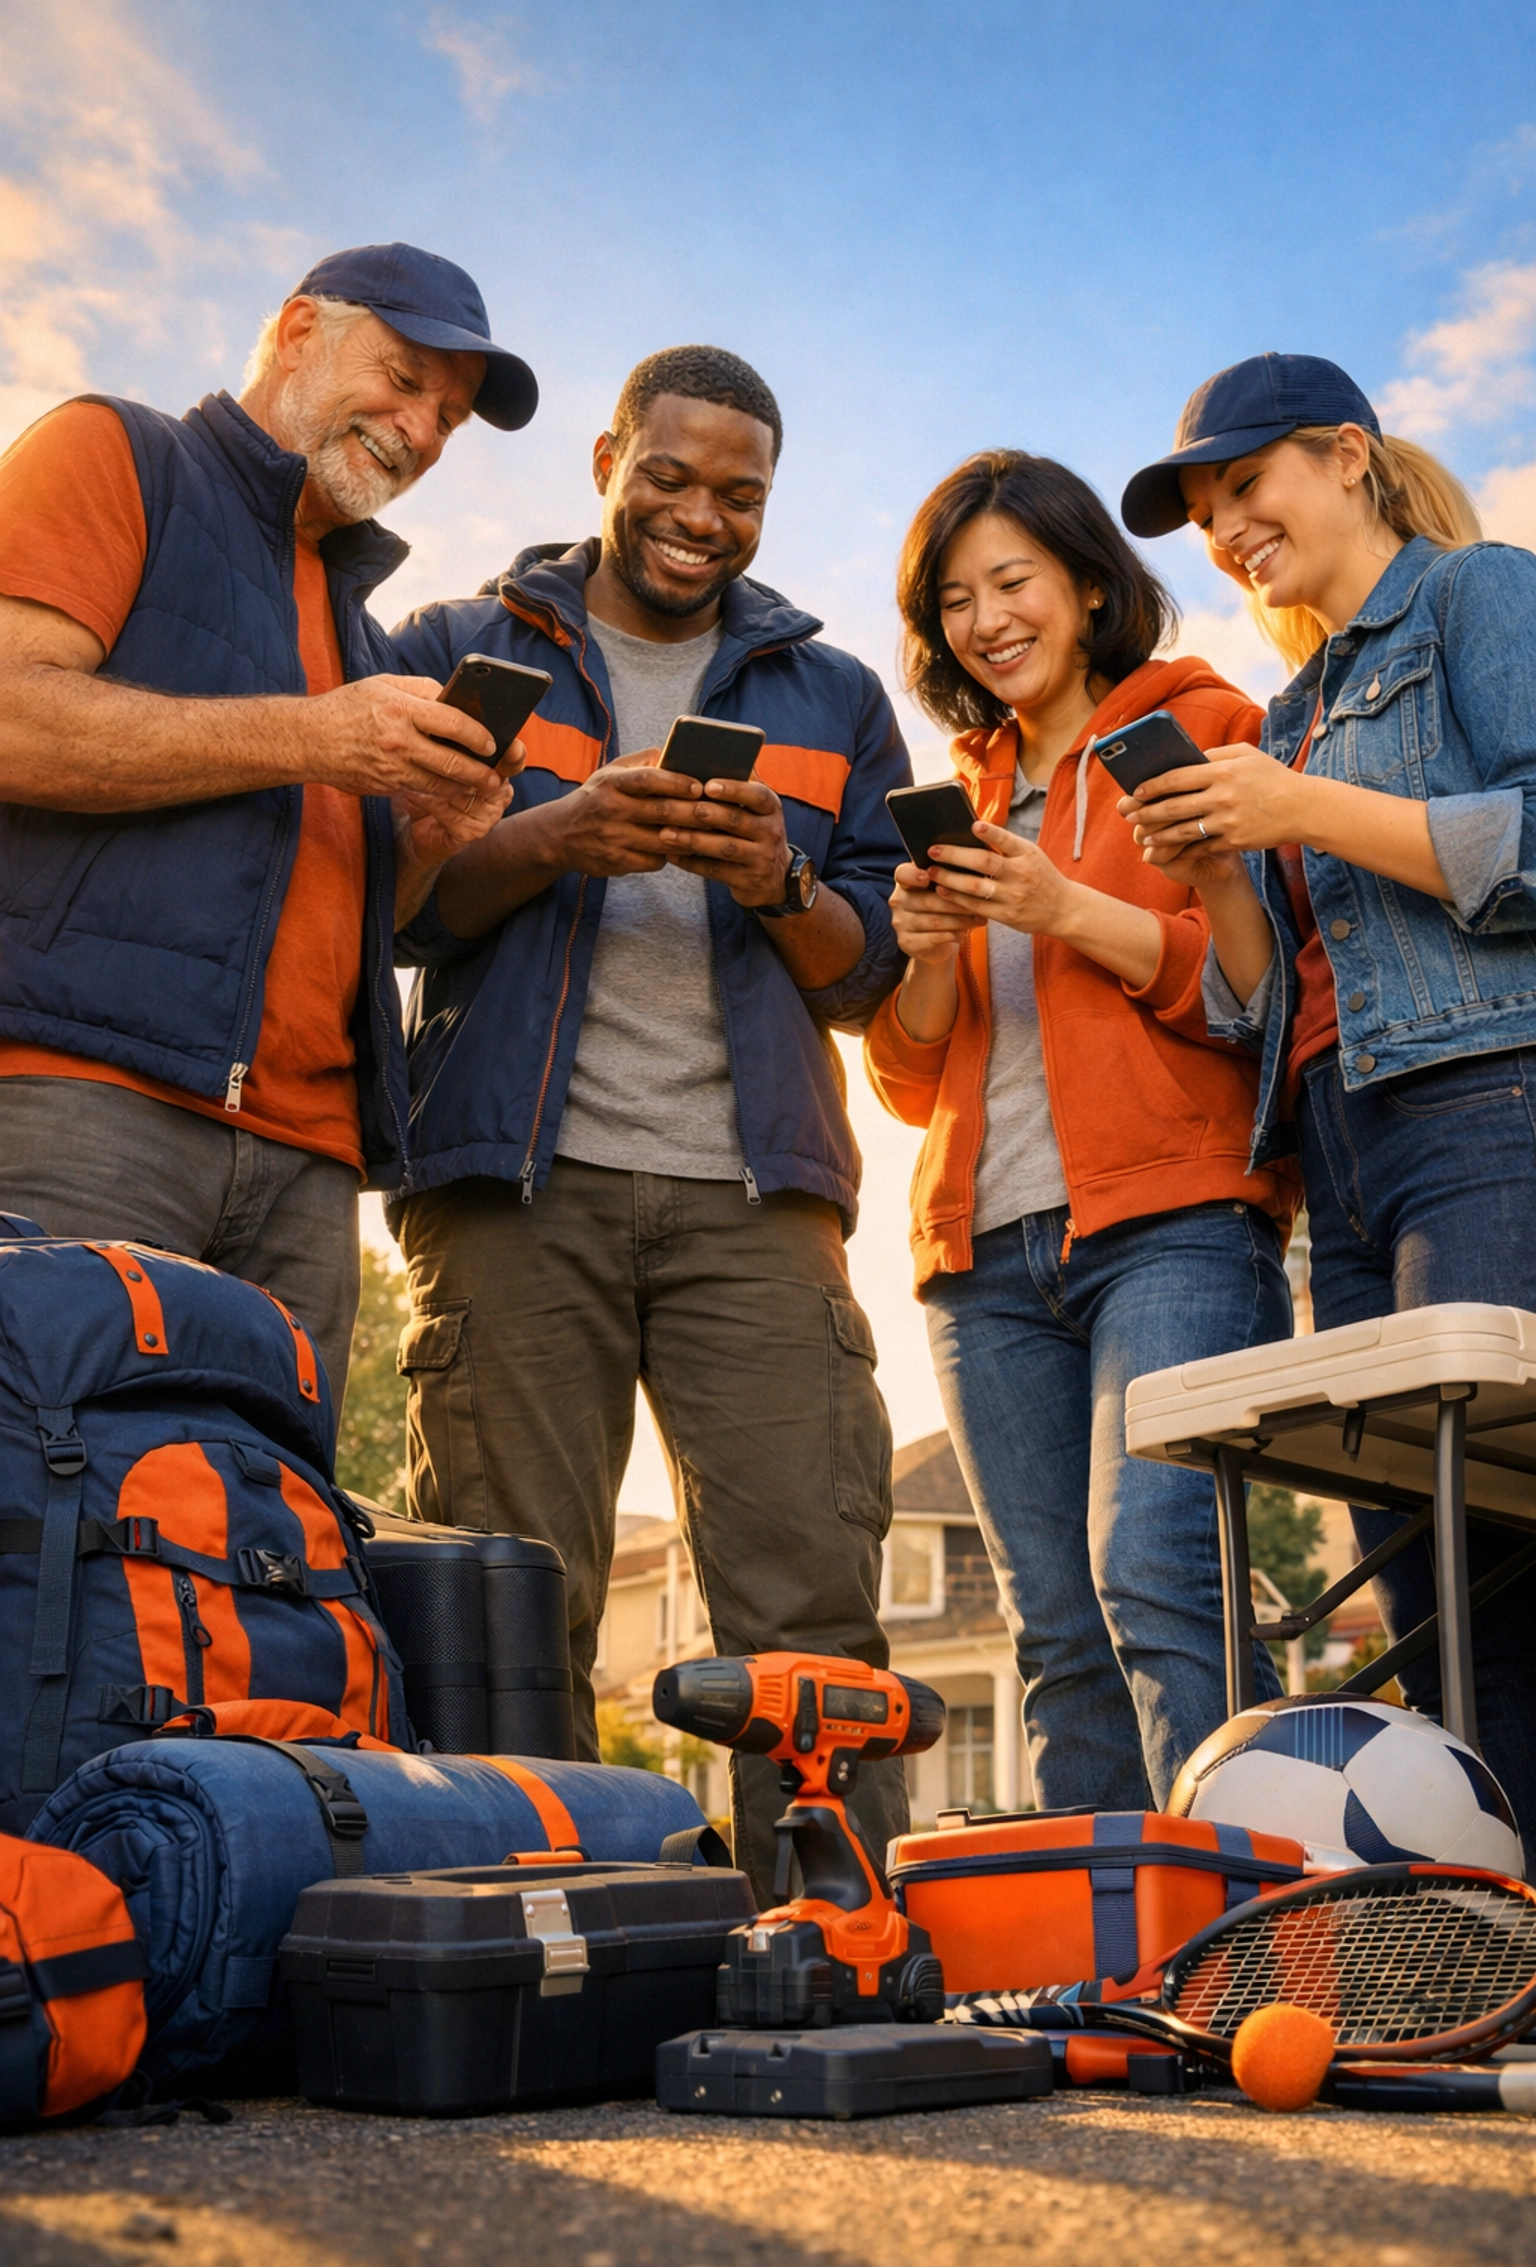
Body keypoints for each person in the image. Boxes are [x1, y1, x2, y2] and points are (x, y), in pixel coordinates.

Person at [388, 345, 912, 1897]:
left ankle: (829, 1949)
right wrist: (553, 838)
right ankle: (539, 1959)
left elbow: (871, 974)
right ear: (608, 458)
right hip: (507, 1193)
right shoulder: (457, 645)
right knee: (506, 1602)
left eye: (738, 495)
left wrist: (779, 883)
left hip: (757, 1207)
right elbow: (389, 910)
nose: (701, 516)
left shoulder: (834, 696)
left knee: (806, 1596)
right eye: (670, 479)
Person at [1119, 350, 1536, 1849]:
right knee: (1422, 1571)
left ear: (1348, 454)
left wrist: (1298, 807)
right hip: (1343, 1144)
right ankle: (1486, 1927)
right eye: (1208, 510)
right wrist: (1226, 867)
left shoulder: (1476, 597)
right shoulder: (1289, 707)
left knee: (1494, 1538)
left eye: (1248, 485)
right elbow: (1257, 1001)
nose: (1227, 528)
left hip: (1487, 1106)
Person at [0, 244, 537, 1405]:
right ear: (299, 331)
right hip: (83, 1106)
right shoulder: (116, 453)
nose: (421, 430)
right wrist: (311, 738)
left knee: (257, 1556)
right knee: (36, 1524)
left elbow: (359, 920)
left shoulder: (368, 638)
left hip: (309, 1167)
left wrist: (428, 839)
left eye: (446, 417)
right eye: (402, 378)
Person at [865, 450, 1300, 1811]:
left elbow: (1255, 993)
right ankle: (1107, 1957)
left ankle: (1252, 1938)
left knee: (1161, 1579)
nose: (987, 619)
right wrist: (927, 951)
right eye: (955, 598)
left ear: (1092, 586)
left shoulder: (1205, 726)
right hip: (979, 1260)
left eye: (1014, 580)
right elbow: (906, 1080)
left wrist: (1061, 910)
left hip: (1173, 1228)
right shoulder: (966, 795)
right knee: (1055, 1631)